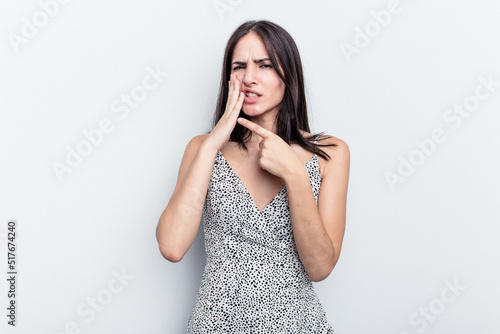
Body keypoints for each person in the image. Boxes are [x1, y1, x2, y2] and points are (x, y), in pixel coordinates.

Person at [156, 20, 350, 333]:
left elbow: (320, 266)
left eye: (264, 65)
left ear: (289, 74)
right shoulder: (201, 148)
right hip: (216, 325)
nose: (249, 78)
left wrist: (294, 175)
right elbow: (172, 247)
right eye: (239, 66)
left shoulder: (330, 152)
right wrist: (212, 144)